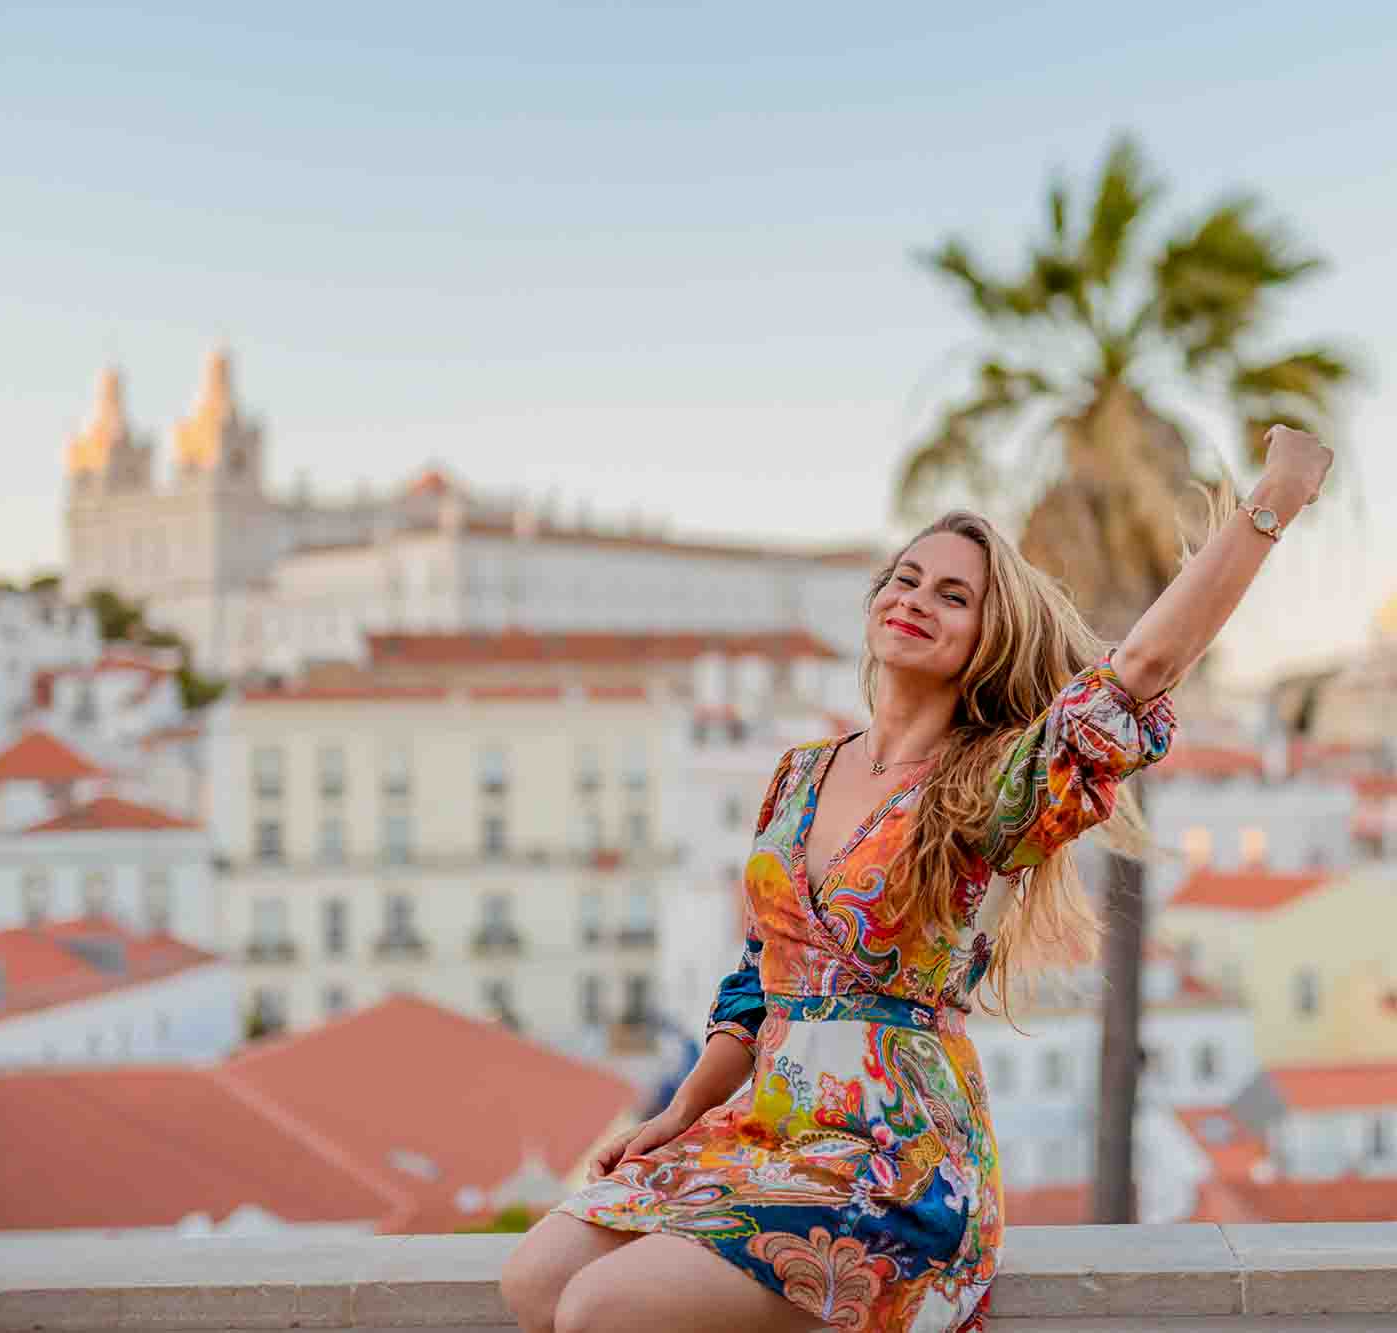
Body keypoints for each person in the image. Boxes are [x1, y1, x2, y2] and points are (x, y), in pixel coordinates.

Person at [501, 427, 1334, 1332]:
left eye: (953, 595)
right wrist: (680, 1111)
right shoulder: (799, 774)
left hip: (898, 1164)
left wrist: (1275, 496)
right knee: (535, 1280)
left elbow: (1140, 672)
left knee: (602, 1309)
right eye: (904, 579)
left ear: (988, 636)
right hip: (769, 1138)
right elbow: (756, 981)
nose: (917, 600)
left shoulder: (997, 785)